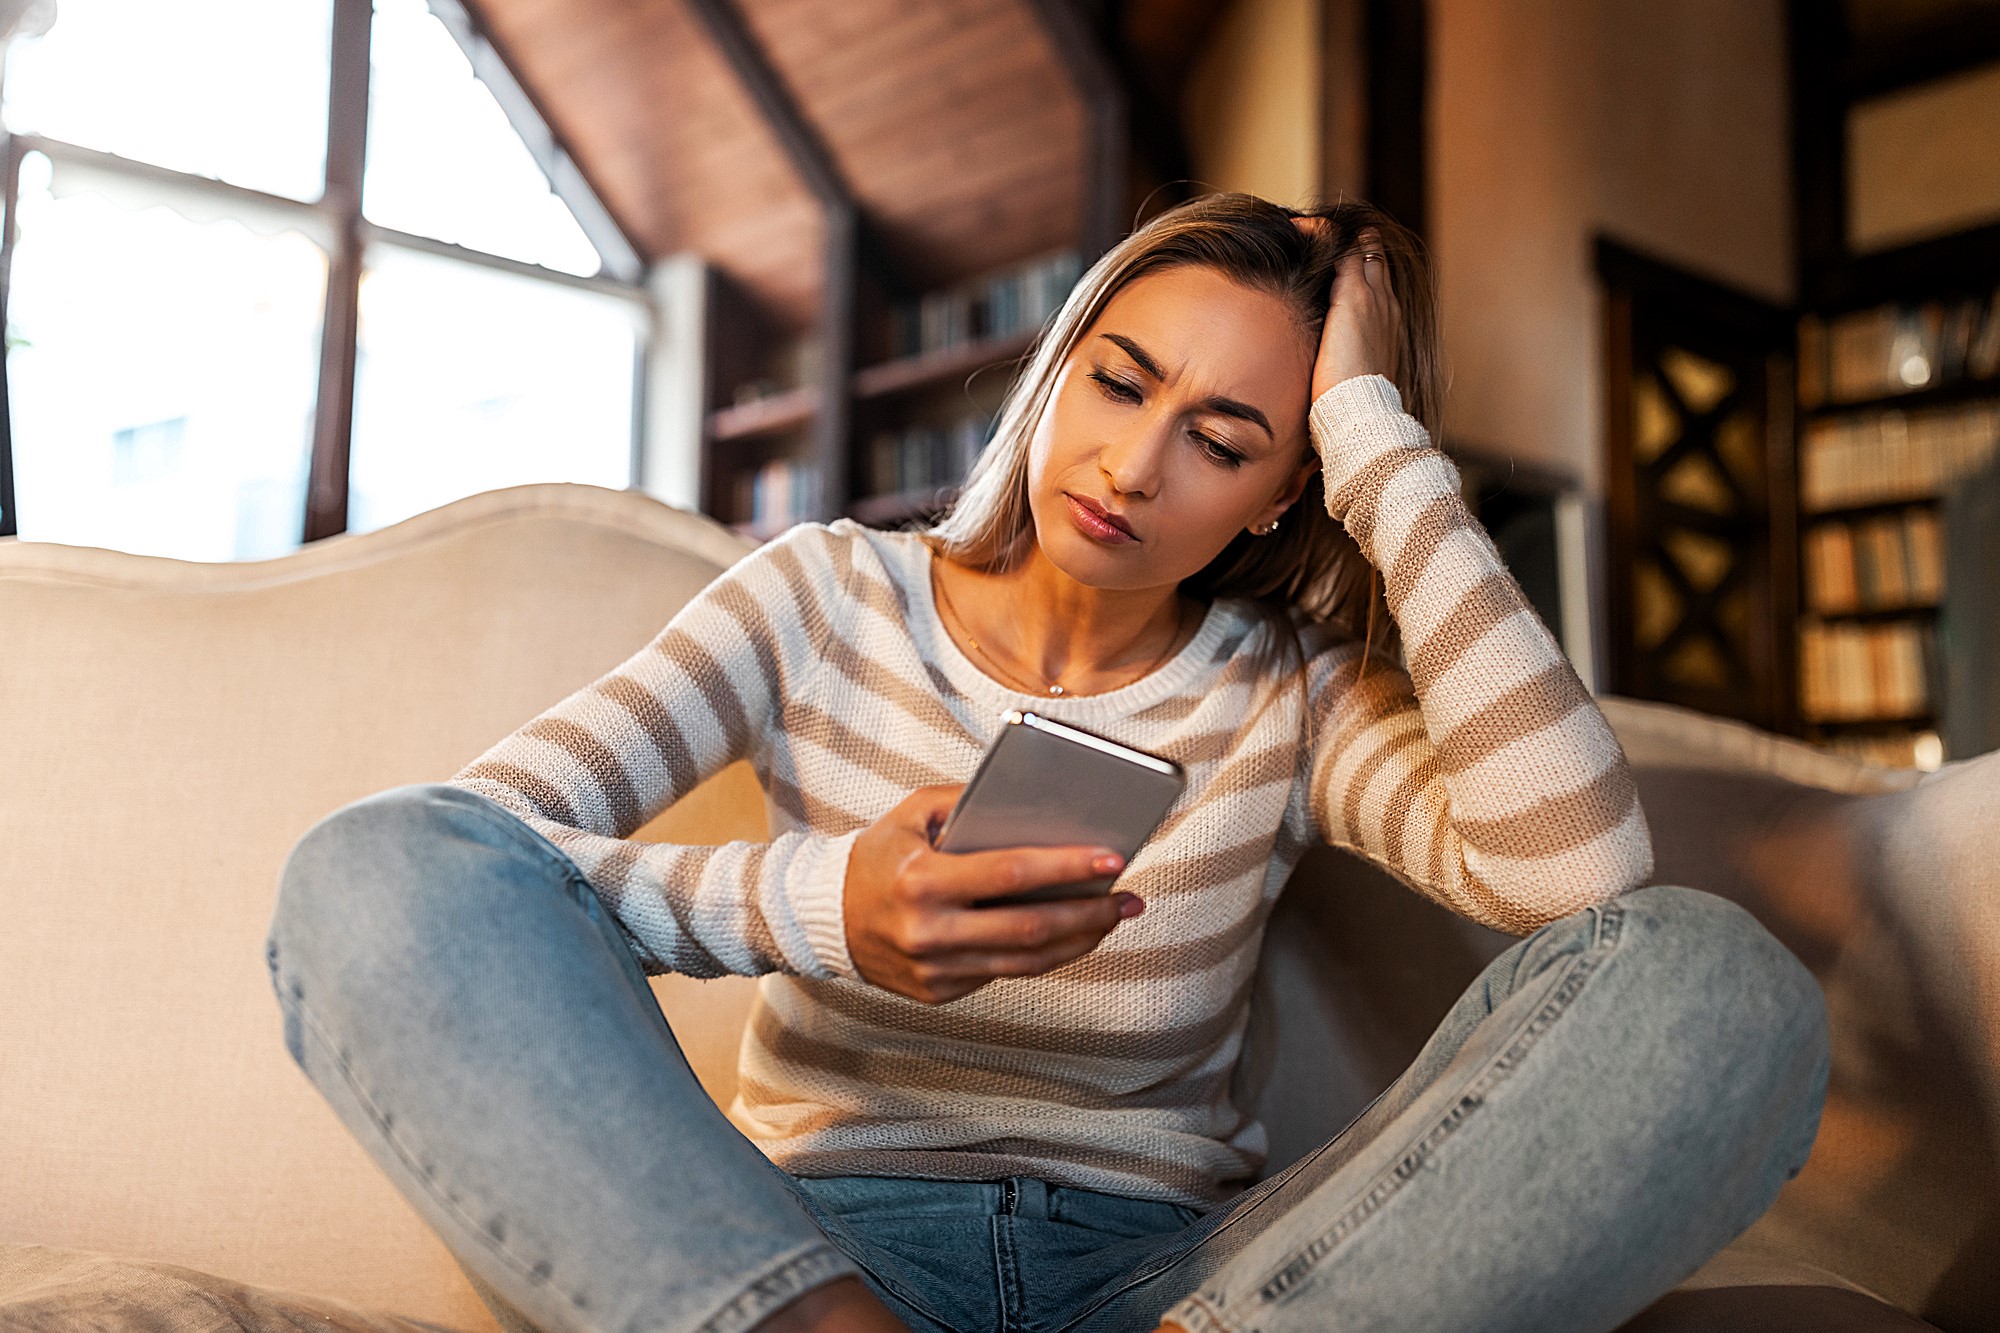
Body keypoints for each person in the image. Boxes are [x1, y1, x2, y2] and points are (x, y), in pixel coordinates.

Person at [264, 193, 1829, 1333]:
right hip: (820, 1256)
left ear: (1287, 495)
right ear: (1063, 362)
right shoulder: (825, 594)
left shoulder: (1287, 695)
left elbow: (1581, 877)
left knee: (1717, 977)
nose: (1132, 466)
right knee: (369, 864)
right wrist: (822, 906)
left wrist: (1378, 438)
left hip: (1189, 1283)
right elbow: (473, 854)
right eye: (1122, 380)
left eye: (1225, 442)